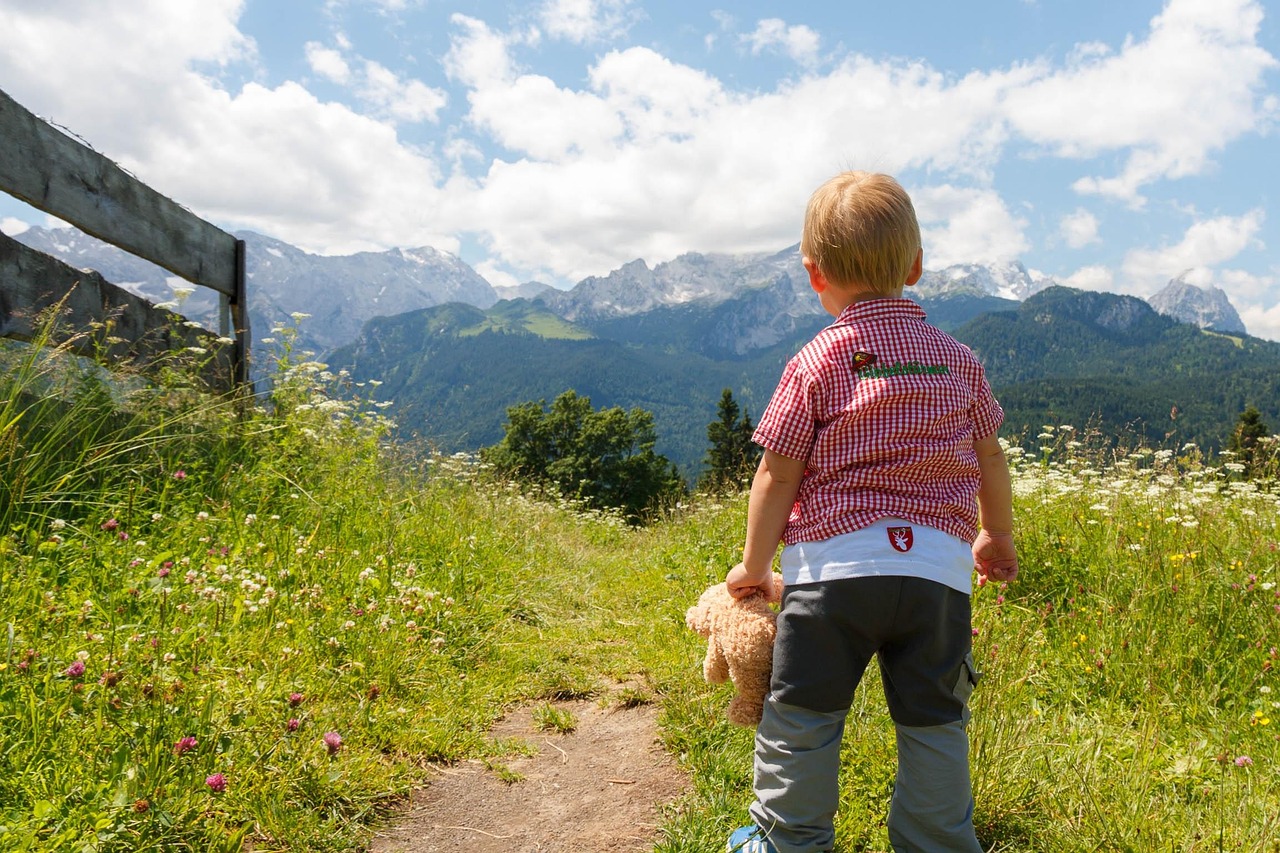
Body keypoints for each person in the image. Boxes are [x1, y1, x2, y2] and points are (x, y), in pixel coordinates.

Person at [724, 171, 1018, 853]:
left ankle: (787, 839)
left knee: (802, 717)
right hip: (937, 579)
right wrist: (994, 534)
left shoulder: (818, 359)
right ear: (915, 267)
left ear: (812, 273)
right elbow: (991, 458)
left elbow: (777, 470)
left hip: (833, 574)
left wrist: (755, 565)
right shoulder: (957, 360)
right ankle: (938, 843)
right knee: (935, 721)